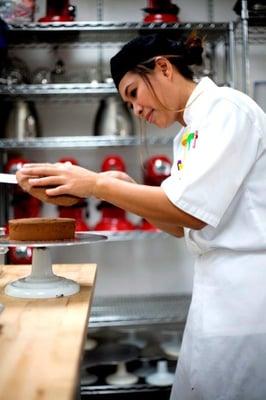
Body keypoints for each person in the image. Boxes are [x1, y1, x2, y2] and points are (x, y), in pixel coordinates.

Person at [17, 33, 266, 400]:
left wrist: (98, 186)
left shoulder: (226, 110)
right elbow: (180, 225)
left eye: (134, 92)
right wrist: (124, 189)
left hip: (247, 297)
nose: (135, 110)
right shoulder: (189, 133)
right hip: (217, 292)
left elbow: (188, 214)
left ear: (163, 68)